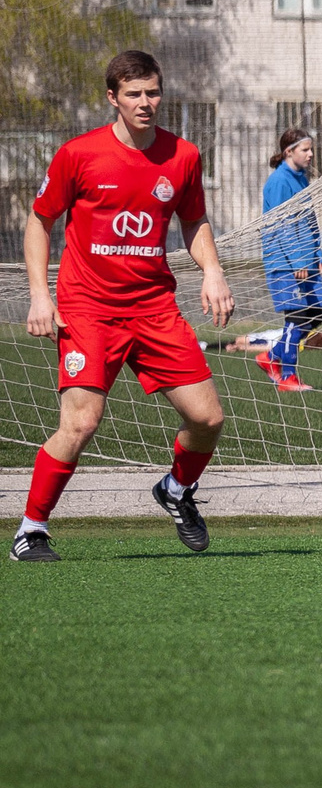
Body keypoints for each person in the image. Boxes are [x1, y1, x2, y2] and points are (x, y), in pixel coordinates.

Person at [15, 50, 234, 563]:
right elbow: (38, 222)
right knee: (81, 422)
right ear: (112, 98)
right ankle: (31, 529)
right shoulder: (79, 154)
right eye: (133, 94)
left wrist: (213, 270)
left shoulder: (183, 156)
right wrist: (41, 294)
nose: (145, 103)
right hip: (87, 307)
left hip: (154, 307)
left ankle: (176, 491)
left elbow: (194, 220)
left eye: (153, 92)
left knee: (208, 419)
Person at [258, 128, 322, 392]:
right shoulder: (278, 182)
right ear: (289, 152)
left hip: (305, 261)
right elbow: (281, 226)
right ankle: (288, 377)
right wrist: (297, 261)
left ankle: (270, 356)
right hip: (284, 262)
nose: (311, 154)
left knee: (317, 313)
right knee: (298, 315)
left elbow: (309, 223)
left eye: (311, 149)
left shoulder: (302, 180)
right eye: (305, 149)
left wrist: (318, 257)